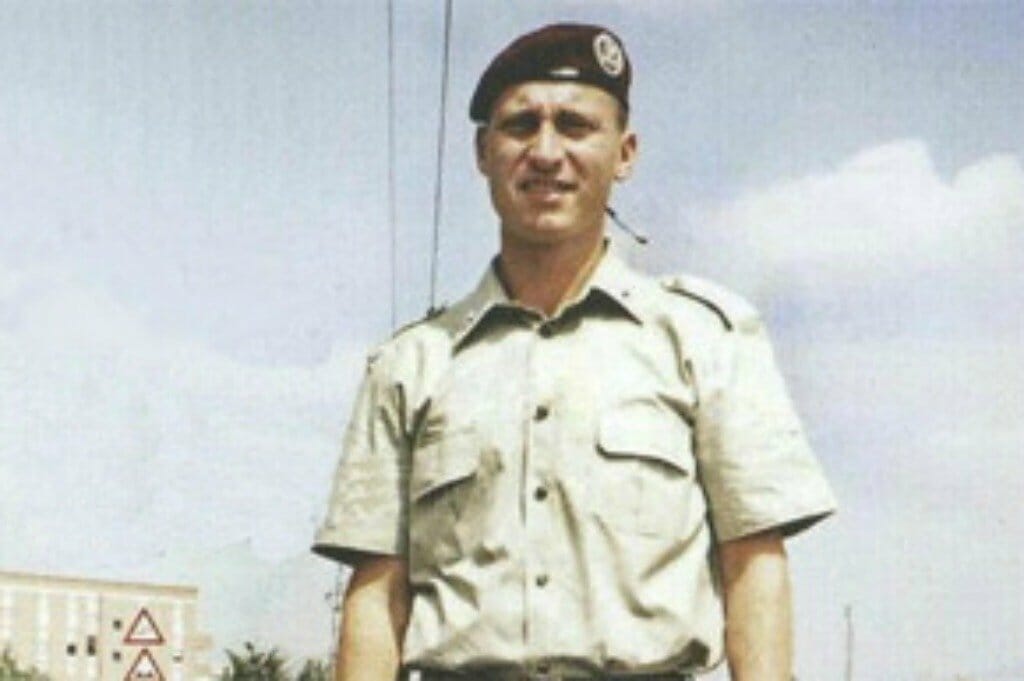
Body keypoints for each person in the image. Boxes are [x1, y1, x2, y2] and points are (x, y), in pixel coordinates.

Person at [313, 23, 836, 681]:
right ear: (483, 152)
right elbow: (376, 593)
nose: (545, 152)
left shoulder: (704, 338)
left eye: (575, 126)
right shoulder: (411, 364)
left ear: (625, 152)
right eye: (520, 126)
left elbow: (753, 562)